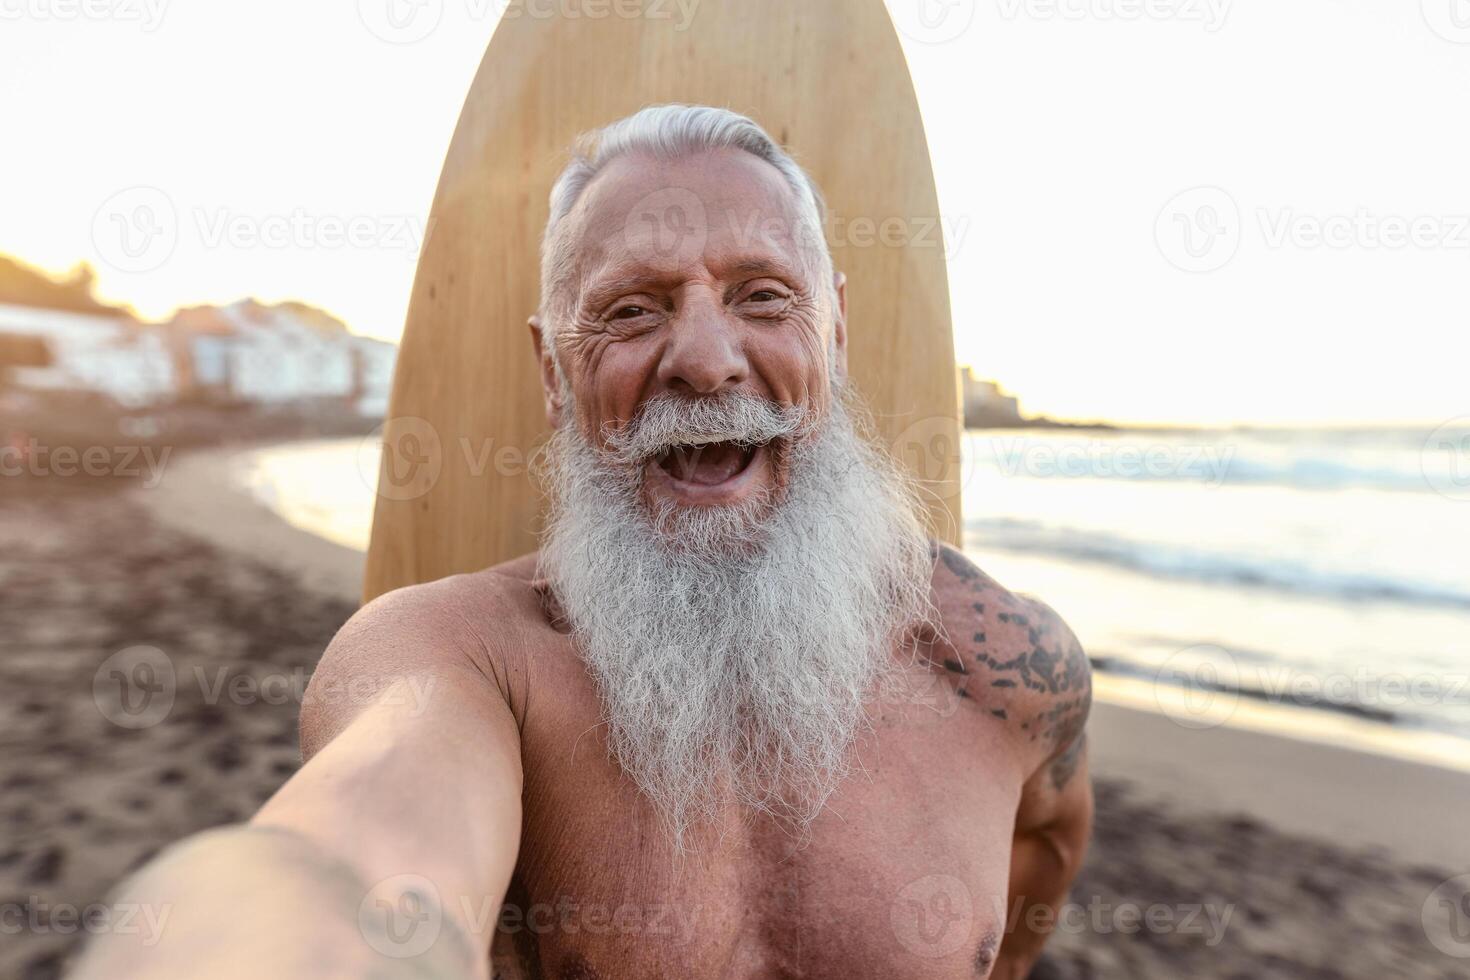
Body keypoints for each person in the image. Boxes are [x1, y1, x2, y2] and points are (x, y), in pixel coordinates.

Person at [73, 104, 1092, 980]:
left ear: (833, 333)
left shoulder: (1006, 670)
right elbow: (364, 846)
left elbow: (1034, 874)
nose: (703, 358)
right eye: (631, 310)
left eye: (764, 296)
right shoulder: (467, 661)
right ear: (555, 372)